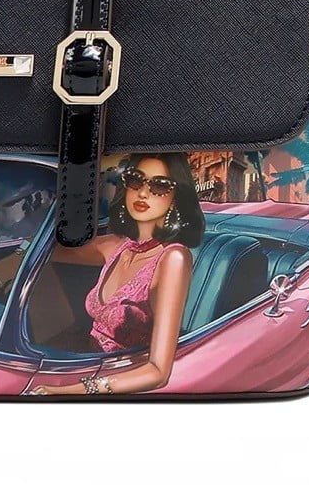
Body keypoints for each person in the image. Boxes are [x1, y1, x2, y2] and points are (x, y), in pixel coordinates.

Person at [29, 154, 204, 395]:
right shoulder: (116, 246)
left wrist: (70, 391)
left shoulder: (173, 259)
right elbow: (45, 254)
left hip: (119, 384)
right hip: (82, 365)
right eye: (136, 180)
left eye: (160, 186)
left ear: (175, 198)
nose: (143, 192)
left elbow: (158, 372)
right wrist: (19, 251)